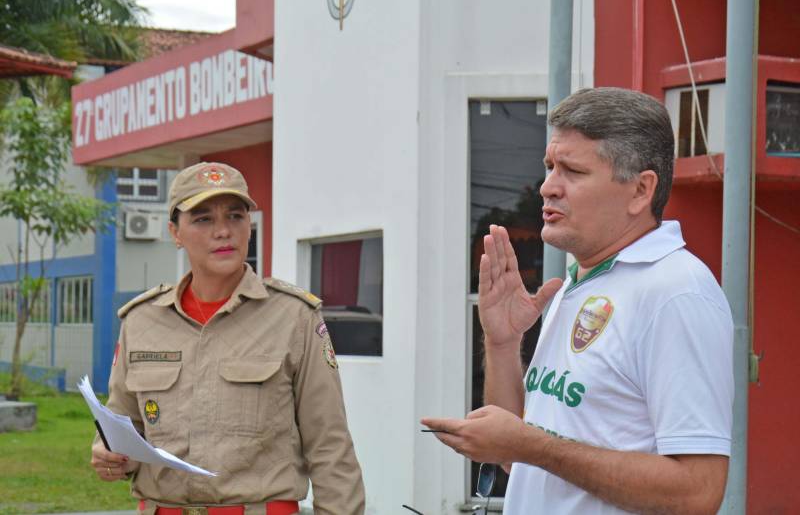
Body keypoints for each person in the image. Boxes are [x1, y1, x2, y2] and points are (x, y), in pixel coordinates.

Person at [422, 88, 734, 514]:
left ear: (641, 190)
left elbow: (698, 492)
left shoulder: (676, 292)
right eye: (550, 167)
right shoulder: (580, 281)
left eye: (572, 171)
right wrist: (502, 343)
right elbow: (520, 459)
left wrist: (535, 446)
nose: (548, 187)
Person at [90, 162, 365, 515]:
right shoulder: (142, 321)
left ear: (248, 226)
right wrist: (110, 453)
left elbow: (330, 446)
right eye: (203, 219)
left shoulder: (294, 317)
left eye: (235, 216)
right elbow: (123, 421)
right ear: (175, 232)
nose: (223, 231)